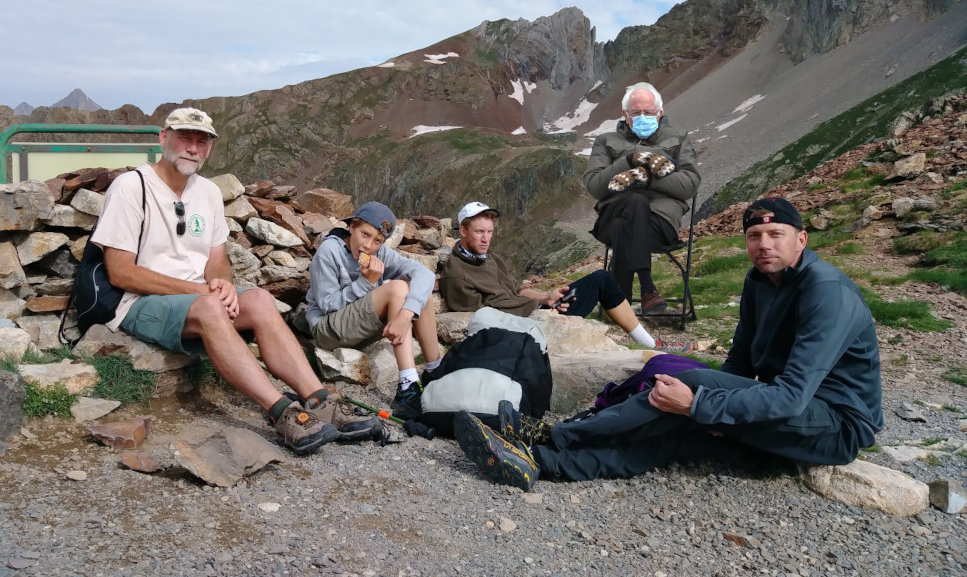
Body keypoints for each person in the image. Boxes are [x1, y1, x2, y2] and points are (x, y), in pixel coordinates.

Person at [453, 197, 884, 490]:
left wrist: (701, 404)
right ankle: (538, 463)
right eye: (755, 237)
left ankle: (553, 435)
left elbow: (791, 396)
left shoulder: (826, 292)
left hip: (834, 425)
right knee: (674, 430)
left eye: (777, 236)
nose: (764, 245)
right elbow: (737, 364)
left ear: (801, 240)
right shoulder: (759, 281)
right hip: (784, 410)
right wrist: (710, 412)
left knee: (688, 388)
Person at [94, 107, 379, 456]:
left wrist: (223, 283)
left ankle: (319, 399)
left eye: (202, 141)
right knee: (212, 306)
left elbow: (216, 259)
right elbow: (120, 271)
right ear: (164, 137)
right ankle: (281, 411)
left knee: (258, 299)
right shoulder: (131, 187)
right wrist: (203, 290)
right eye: (185, 137)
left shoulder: (208, 193)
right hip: (139, 302)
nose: (193, 148)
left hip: (197, 298)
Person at [439, 201, 693, 353]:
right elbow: (482, 317)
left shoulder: (488, 258)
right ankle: (650, 344)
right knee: (602, 282)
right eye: (479, 232)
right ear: (462, 230)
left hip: (538, 309)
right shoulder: (457, 274)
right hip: (531, 322)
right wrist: (541, 308)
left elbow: (515, 290)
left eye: (490, 232)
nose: (486, 239)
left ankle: (649, 342)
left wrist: (546, 297)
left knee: (600, 278)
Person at [306, 201, 443, 419]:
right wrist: (365, 282)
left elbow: (424, 274)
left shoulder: (381, 254)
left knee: (417, 291)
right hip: (328, 330)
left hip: (358, 329)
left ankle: (435, 372)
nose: (368, 245)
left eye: (378, 240)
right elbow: (327, 306)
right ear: (351, 227)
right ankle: (407, 386)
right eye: (364, 234)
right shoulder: (329, 251)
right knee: (398, 288)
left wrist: (406, 315)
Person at [583, 82, 700, 312]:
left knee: (622, 226)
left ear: (660, 113)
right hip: (612, 214)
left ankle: (618, 301)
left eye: (648, 112)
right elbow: (595, 186)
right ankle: (647, 289)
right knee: (633, 205)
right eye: (636, 113)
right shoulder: (605, 141)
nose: (642, 117)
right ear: (625, 115)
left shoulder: (678, 138)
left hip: (659, 224)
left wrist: (646, 177)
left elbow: (689, 185)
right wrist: (628, 160)